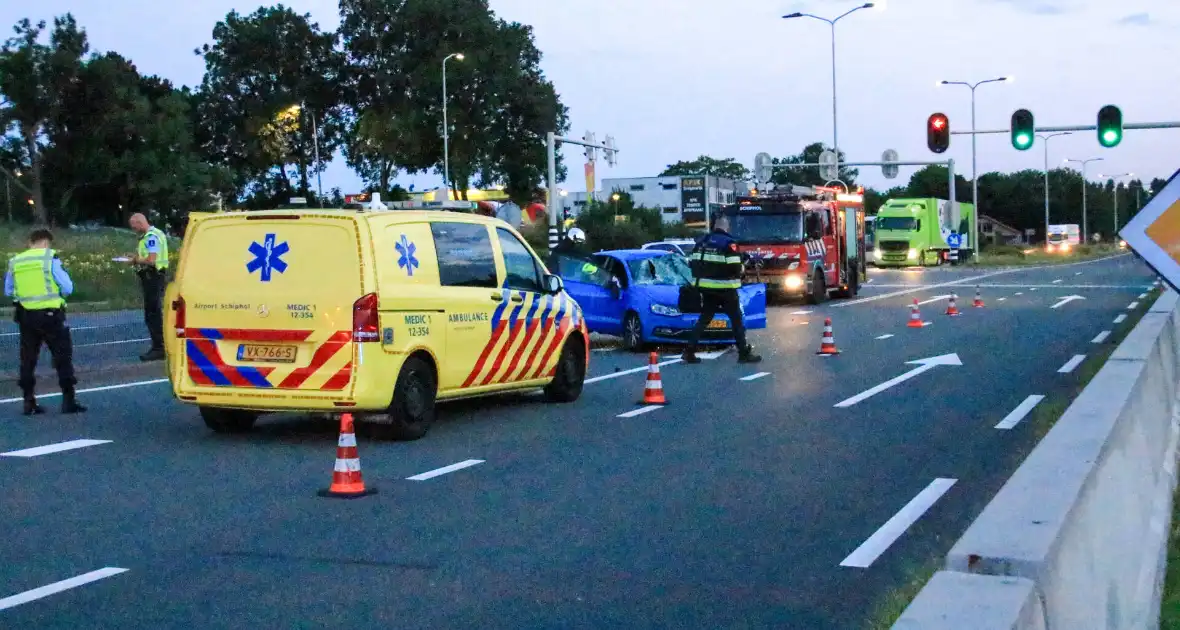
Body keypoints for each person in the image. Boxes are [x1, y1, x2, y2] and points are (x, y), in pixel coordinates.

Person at [5, 228, 86, 414]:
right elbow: (67, 287)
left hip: (26, 316)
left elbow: (9, 291)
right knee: (62, 357)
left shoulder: (15, 261)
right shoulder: (49, 258)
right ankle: (68, 400)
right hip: (51, 315)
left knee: (28, 359)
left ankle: (28, 401)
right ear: (46, 242)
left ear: (30, 241)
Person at [682, 214, 761, 364]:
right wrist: (743, 262)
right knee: (736, 320)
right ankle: (743, 353)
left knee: (704, 319)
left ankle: (689, 351)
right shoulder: (729, 243)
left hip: (705, 288)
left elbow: (693, 263)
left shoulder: (702, 241)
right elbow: (735, 268)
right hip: (725, 288)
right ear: (726, 226)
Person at [124, 213, 170, 361]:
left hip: (153, 276)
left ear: (140, 222)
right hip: (153, 276)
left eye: (134, 226)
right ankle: (160, 345)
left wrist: (136, 260)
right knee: (153, 312)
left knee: (152, 314)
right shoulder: (154, 234)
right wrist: (135, 257)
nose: (134, 229)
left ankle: (159, 347)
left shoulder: (151, 236)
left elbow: (151, 259)